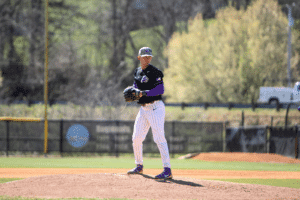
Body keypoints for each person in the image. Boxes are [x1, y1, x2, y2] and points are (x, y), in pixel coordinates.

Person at [127, 47, 172, 179]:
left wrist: (144, 93)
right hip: (144, 109)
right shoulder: (137, 71)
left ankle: (167, 170)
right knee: (136, 138)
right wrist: (133, 92)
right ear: (139, 57)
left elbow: (161, 89)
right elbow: (135, 86)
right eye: (145, 56)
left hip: (155, 107)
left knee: (159, 138)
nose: (147, 58)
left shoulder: (155, 72)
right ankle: (139, 165)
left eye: (149, 56)